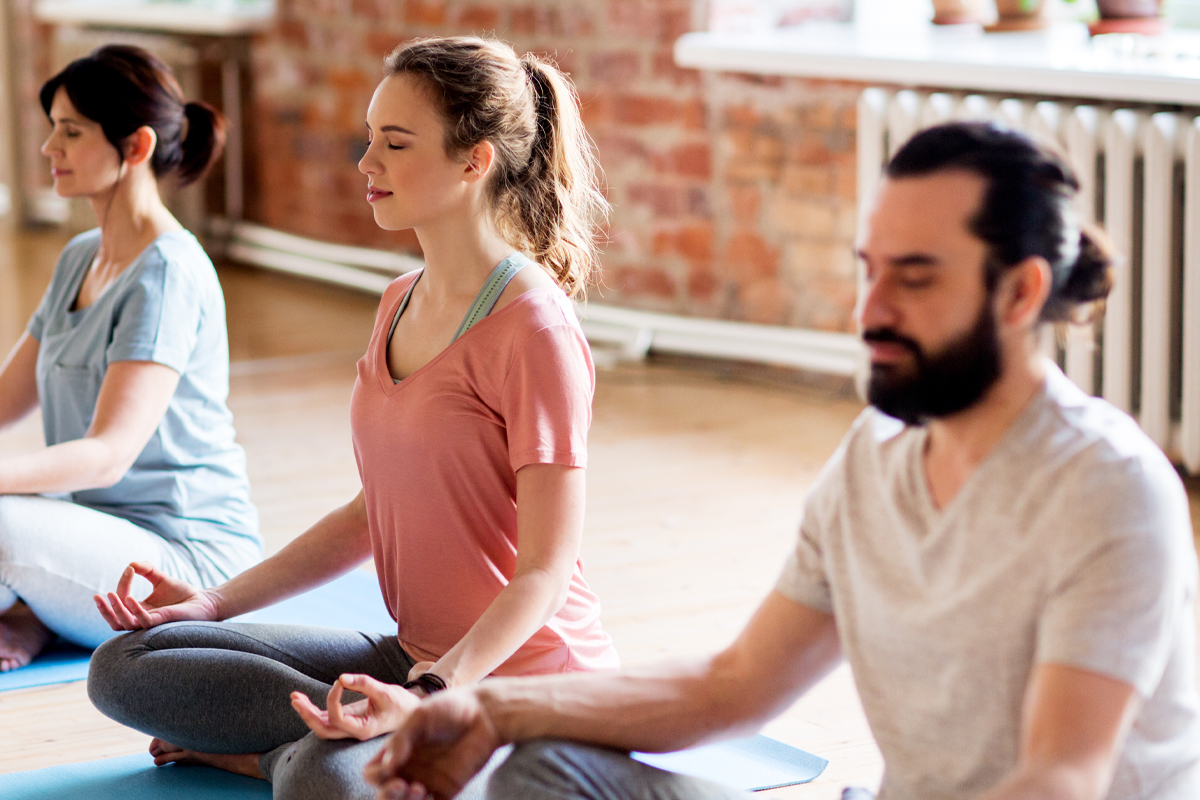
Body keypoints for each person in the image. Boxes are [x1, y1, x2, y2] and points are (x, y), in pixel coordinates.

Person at [365, 122, 1200, 800]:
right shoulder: (874, 462)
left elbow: (1060, 779)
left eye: (914, 280)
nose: (871, 311)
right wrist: (489, 706)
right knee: (542, 773)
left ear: (1019, 293)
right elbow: (733, 685)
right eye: (870, 273)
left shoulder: (1107, 490)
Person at [87, 36, 618, 800]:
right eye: (369, 139)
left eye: (395, 144)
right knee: (128, 663)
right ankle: (336, 739)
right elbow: (374, 512)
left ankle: (287, 752)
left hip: (517, 684)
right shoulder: (399, 301)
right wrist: (212, 602)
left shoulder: (536, 330)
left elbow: (544, 570)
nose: (366, 164)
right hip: (410, 656)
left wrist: (430, 698)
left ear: (475, 162)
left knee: (323, 784)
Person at [0, 45, 260, 672]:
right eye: (52, 128)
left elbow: (109, 455)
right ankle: (33, 614)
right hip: (95, 537)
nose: (49, 148)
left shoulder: (166, 272)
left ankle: (30, 612)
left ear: (136, 146)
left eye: (72, 131)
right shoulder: (80, 257)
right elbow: (6, 399)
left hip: (180, 561)